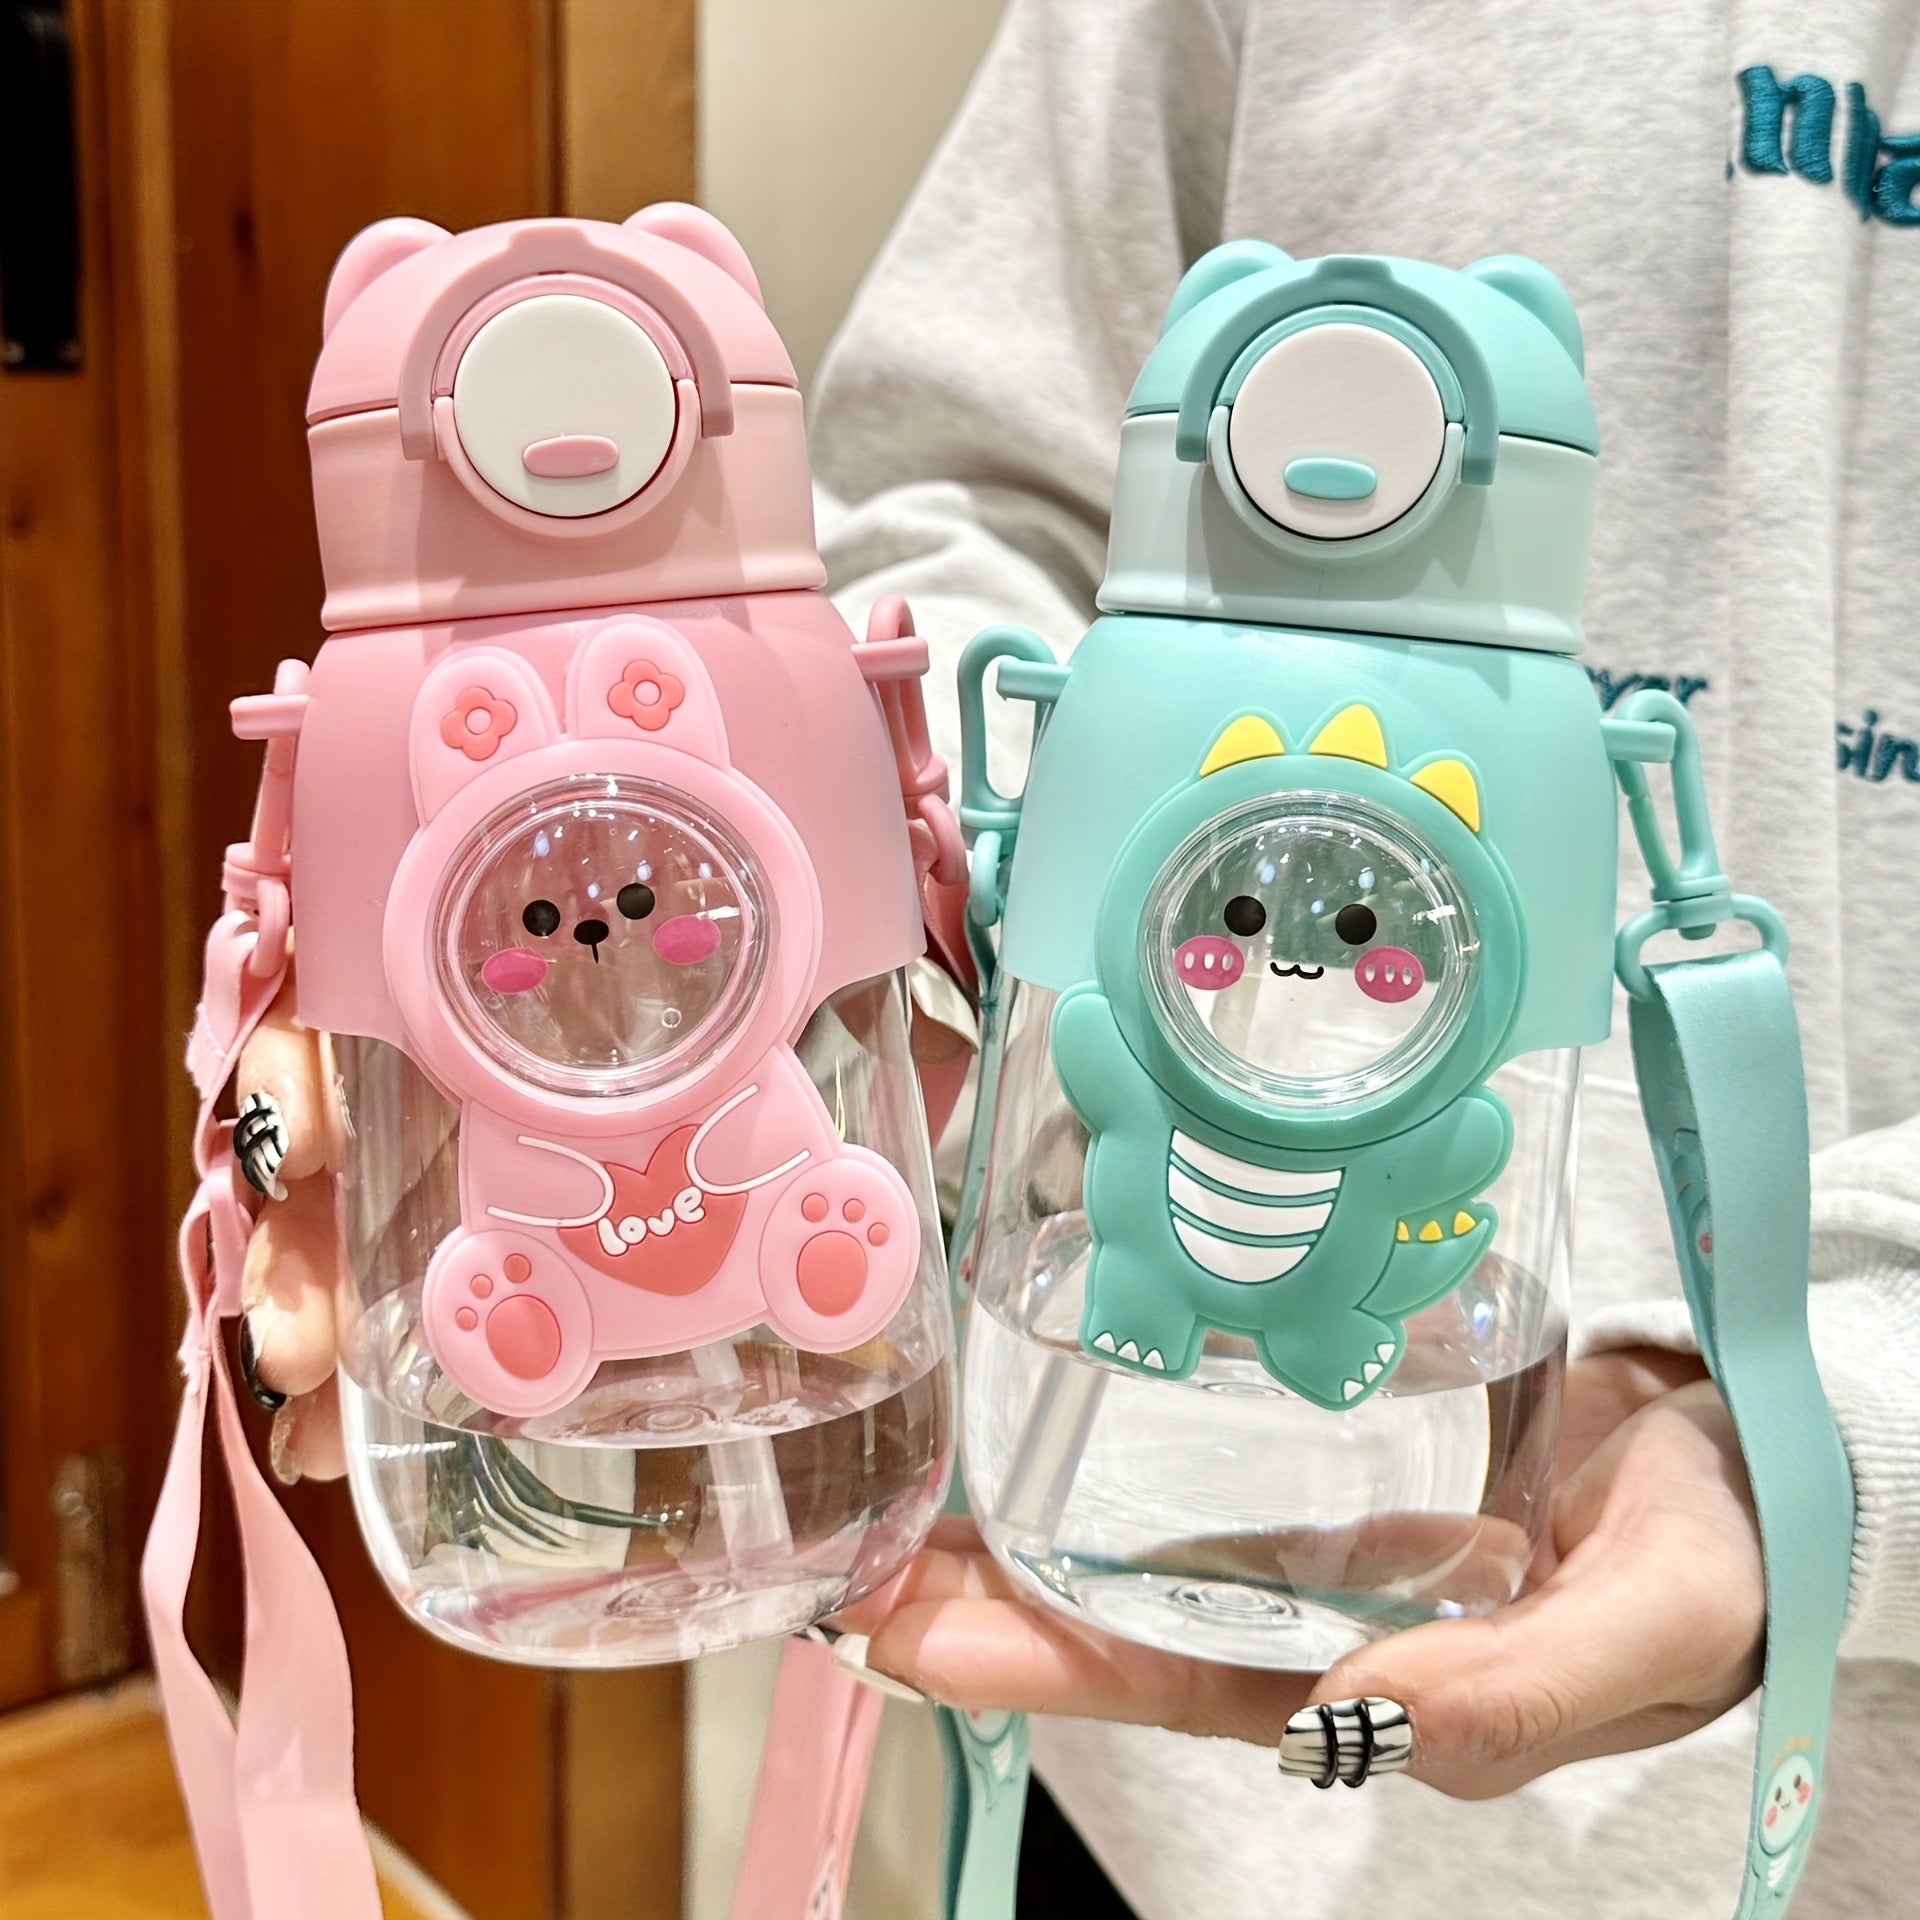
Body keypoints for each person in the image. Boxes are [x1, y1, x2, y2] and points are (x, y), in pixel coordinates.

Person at [244, 4, 1920, 1915]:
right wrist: (960, 873)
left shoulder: (1527, 734)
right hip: (1097, 1688)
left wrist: (1834, 1421)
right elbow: (971, 494)